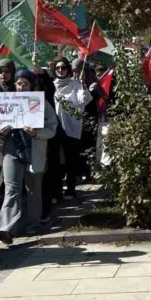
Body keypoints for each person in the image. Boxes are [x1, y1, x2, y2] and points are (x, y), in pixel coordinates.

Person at [0, 69, 59, 242]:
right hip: (12, 149)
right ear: (15, 85)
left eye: (25, 84)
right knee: (12, 189)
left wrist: (37, 133)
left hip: (33, 149)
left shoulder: (41, 103)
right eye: (19, 84)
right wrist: (1, 132)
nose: (21, 87)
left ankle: (33, 224)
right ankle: (6, 228)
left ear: (31, 85)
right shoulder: (7, 101)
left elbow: (53, 128)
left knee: (33, 190)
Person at [48, 57, 93, 200]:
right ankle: (56, 191)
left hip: (70, 126)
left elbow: (85, 100)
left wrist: (82, 85)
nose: (61, 70)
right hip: (54, 127)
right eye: (58, 68)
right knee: (54, 161)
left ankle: (71, 189)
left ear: (68, 69)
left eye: (63, 68)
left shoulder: (75, 85)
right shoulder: (51, 85)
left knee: (70, 160)